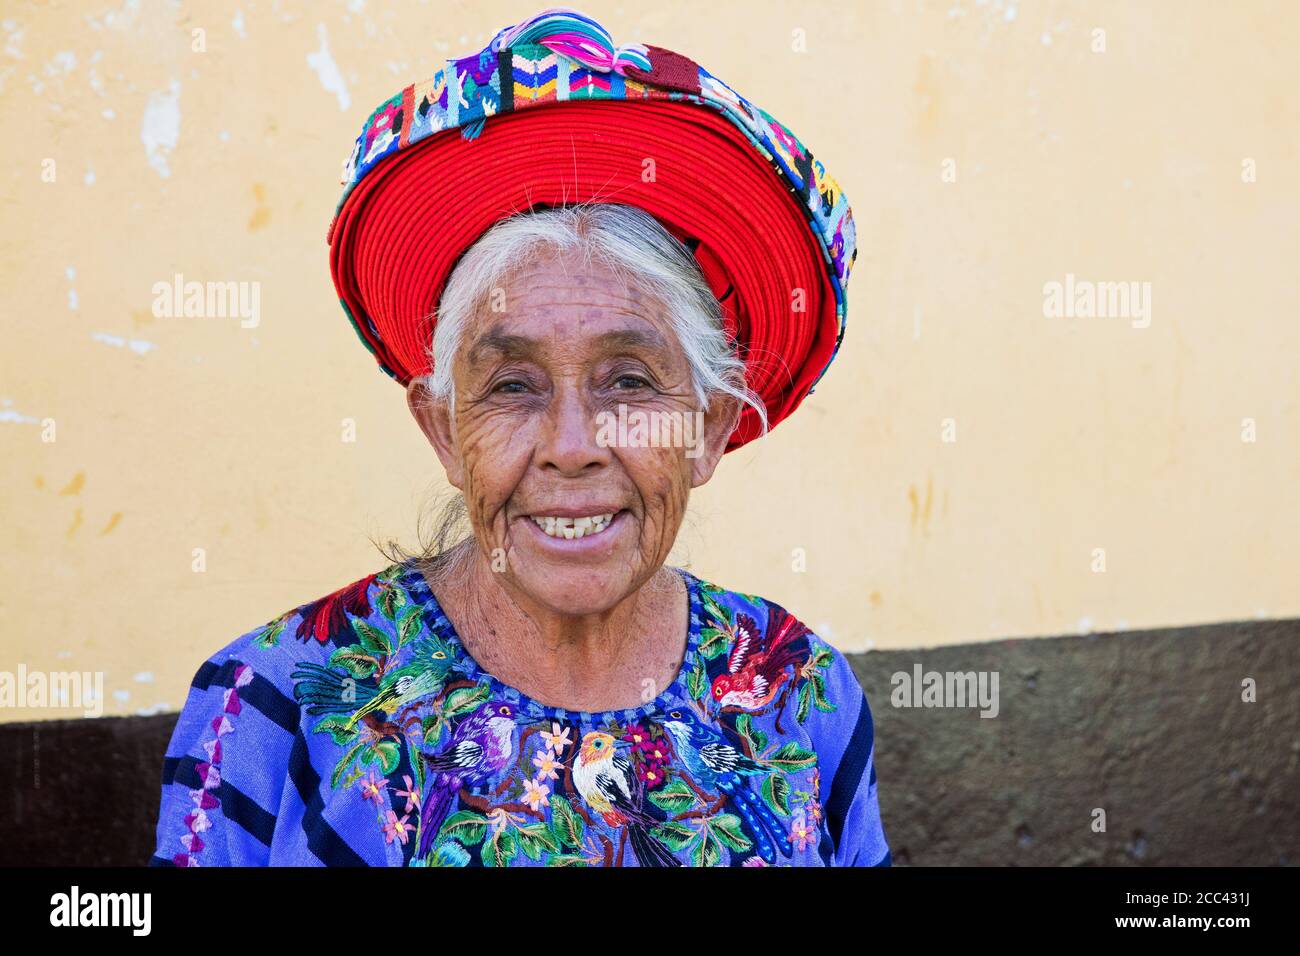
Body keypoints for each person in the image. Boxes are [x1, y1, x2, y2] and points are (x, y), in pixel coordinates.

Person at [150, 7, 888, 867]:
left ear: (710, 428)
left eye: (629, 380)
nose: (571, 445)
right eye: (510, 386)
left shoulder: (798, 693)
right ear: (442, 429)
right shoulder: (276, 707)